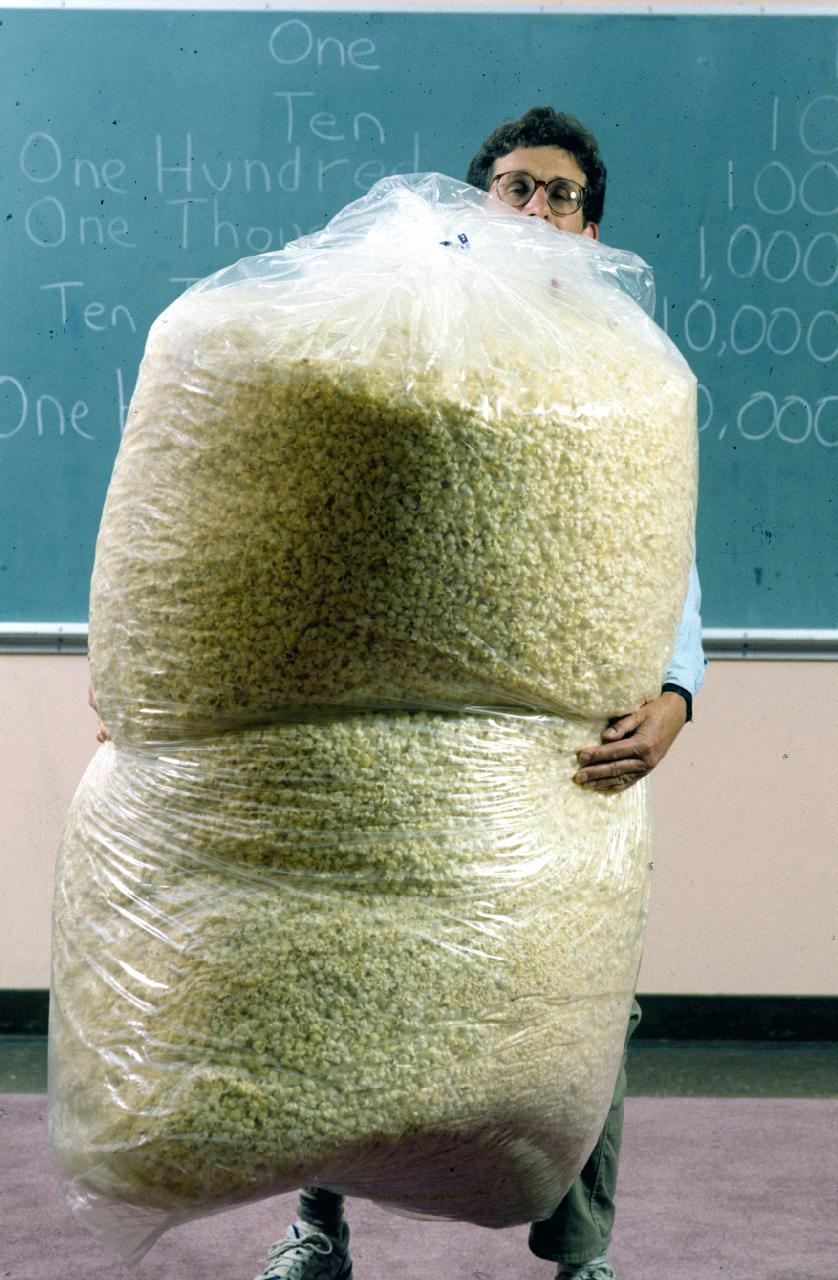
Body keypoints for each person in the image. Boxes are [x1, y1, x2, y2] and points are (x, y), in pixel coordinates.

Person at [90, 107, 706, 1280]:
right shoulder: (394, 338)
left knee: (574, 992)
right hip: (365, 750)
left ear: (592, 228)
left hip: (554, 760)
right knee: (337, 975)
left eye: (561, 194)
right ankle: (317, 1229)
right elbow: (248, 520)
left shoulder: (626, 376)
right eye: (516, 186)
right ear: (477, 202)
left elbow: (662, 558)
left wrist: (677, 692)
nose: (536, 208)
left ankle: (581, 1254)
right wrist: (152, 677)